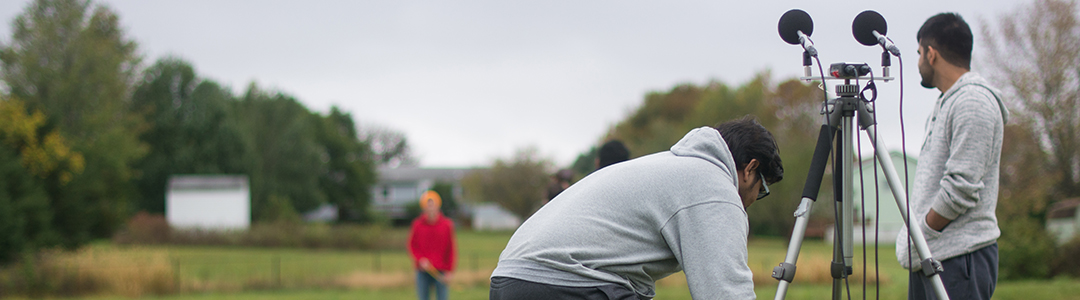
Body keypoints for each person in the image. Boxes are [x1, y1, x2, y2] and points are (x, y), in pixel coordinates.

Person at [490, 116, 784, 299]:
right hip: (566, 283)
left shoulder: (670, 167)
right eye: (762, 189)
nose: (752, 200)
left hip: (511, 278)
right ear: (750, 169)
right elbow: (725, 292)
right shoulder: (715, 186)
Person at [895, 12, 1009, 300]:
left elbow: (961, 186)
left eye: (920, 53)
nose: (919, 61)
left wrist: (922, 234)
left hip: (960, 258)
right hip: (935, 254)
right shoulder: (948, 102)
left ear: (931, 54)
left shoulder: (972, 101)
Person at [408, 190, 456, 300]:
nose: (430, 208)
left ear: (438, 206)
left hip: (441, 271)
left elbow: (451, 249)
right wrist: (421, 259)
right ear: (423, 207)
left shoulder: (447, 225)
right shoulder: (417, 225)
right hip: (423, 271)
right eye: (427, 205)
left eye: (432, 205)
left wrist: (449, 270)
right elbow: (412, 245)